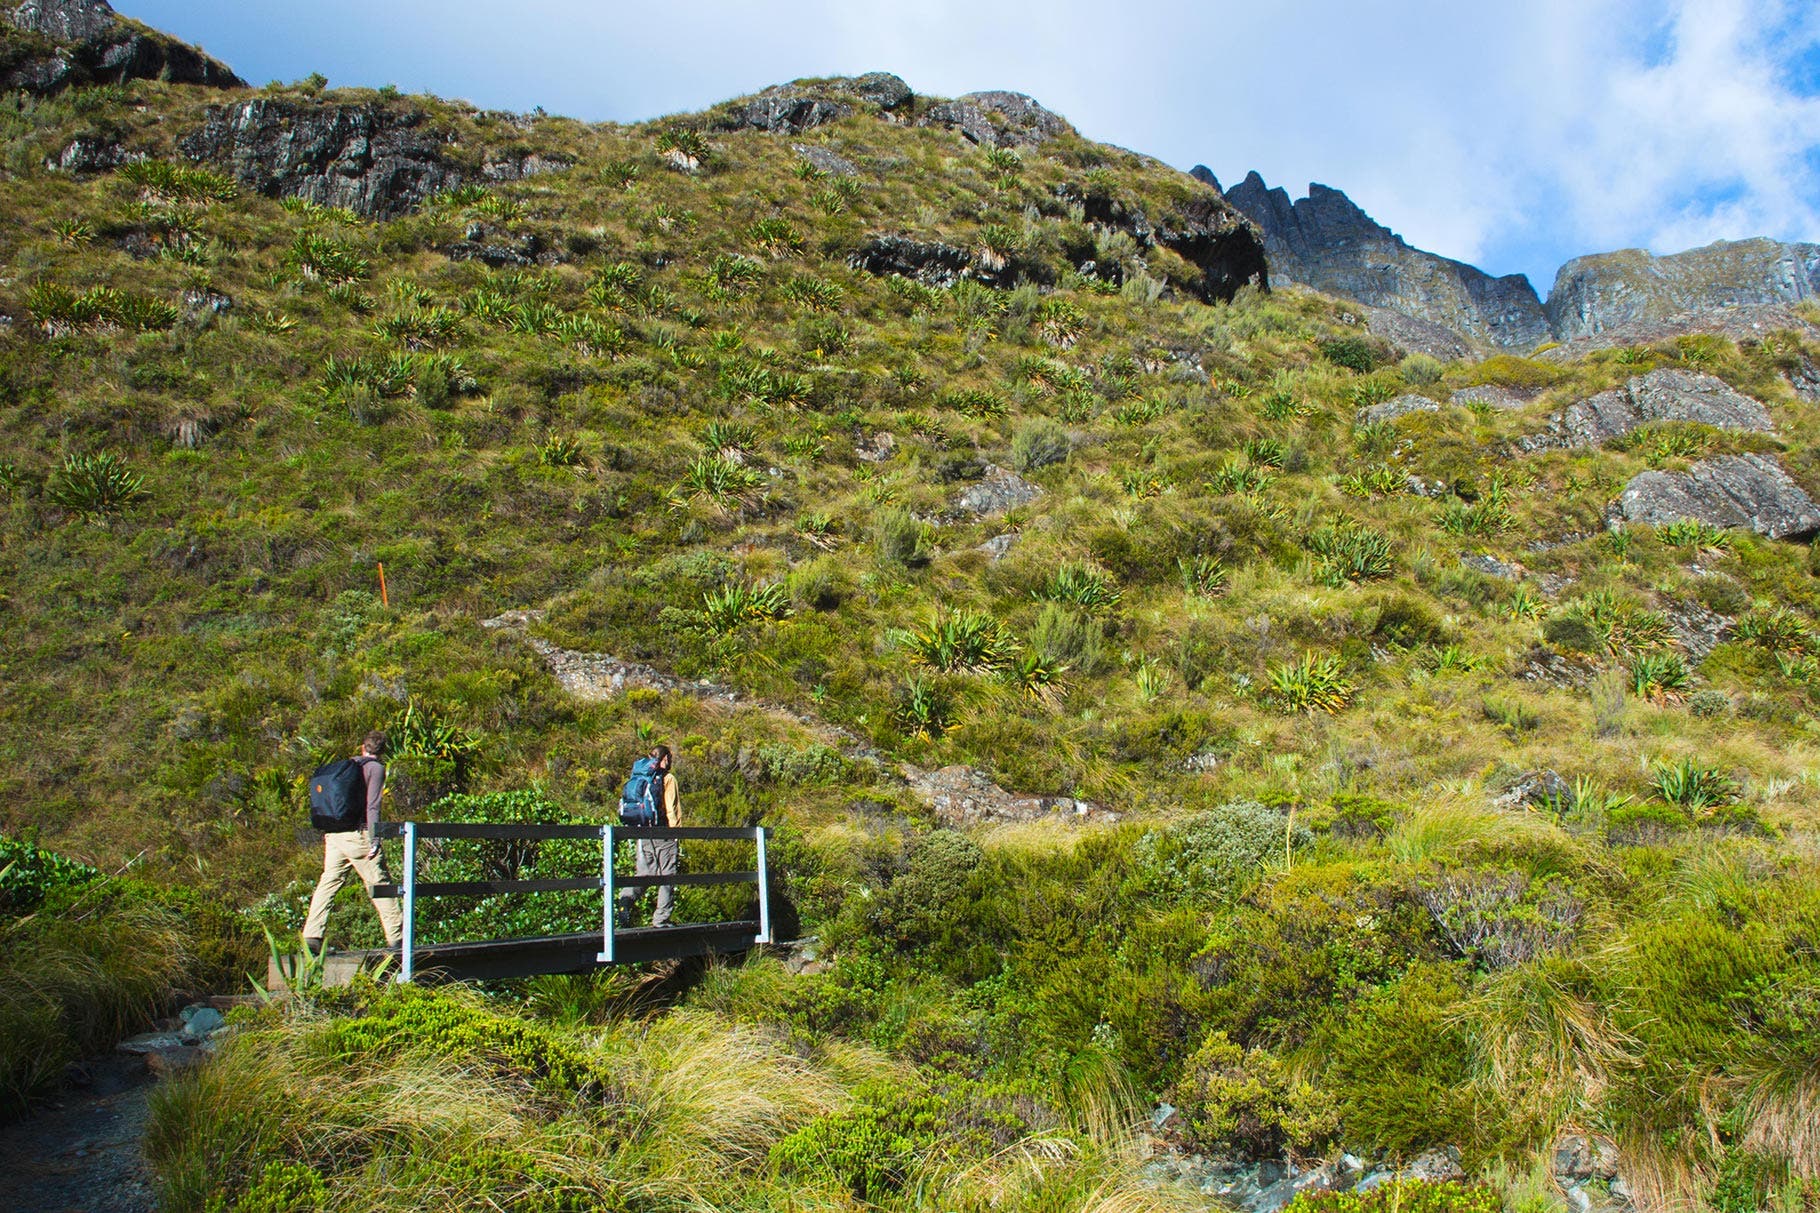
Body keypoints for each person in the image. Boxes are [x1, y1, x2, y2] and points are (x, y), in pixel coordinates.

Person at [302, 730, 403, 954]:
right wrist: (375, 839)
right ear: (384, 749)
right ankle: (398, 939)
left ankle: (312, 935)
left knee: (328, 882)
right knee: (380, 884)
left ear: (362, 747)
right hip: (358, 836)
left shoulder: (349, 766)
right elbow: (372, 806)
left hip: (334, 835)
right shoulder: (375, 769)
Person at [618, 744, 680, 927]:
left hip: (643, 831)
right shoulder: (667, 778)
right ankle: (661, 918)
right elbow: (671, 809)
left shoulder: (641, 777)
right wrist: (676, 833)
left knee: (646, 873)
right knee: (668, 875)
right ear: (666, 759)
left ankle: (626, 898)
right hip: (663, 832)